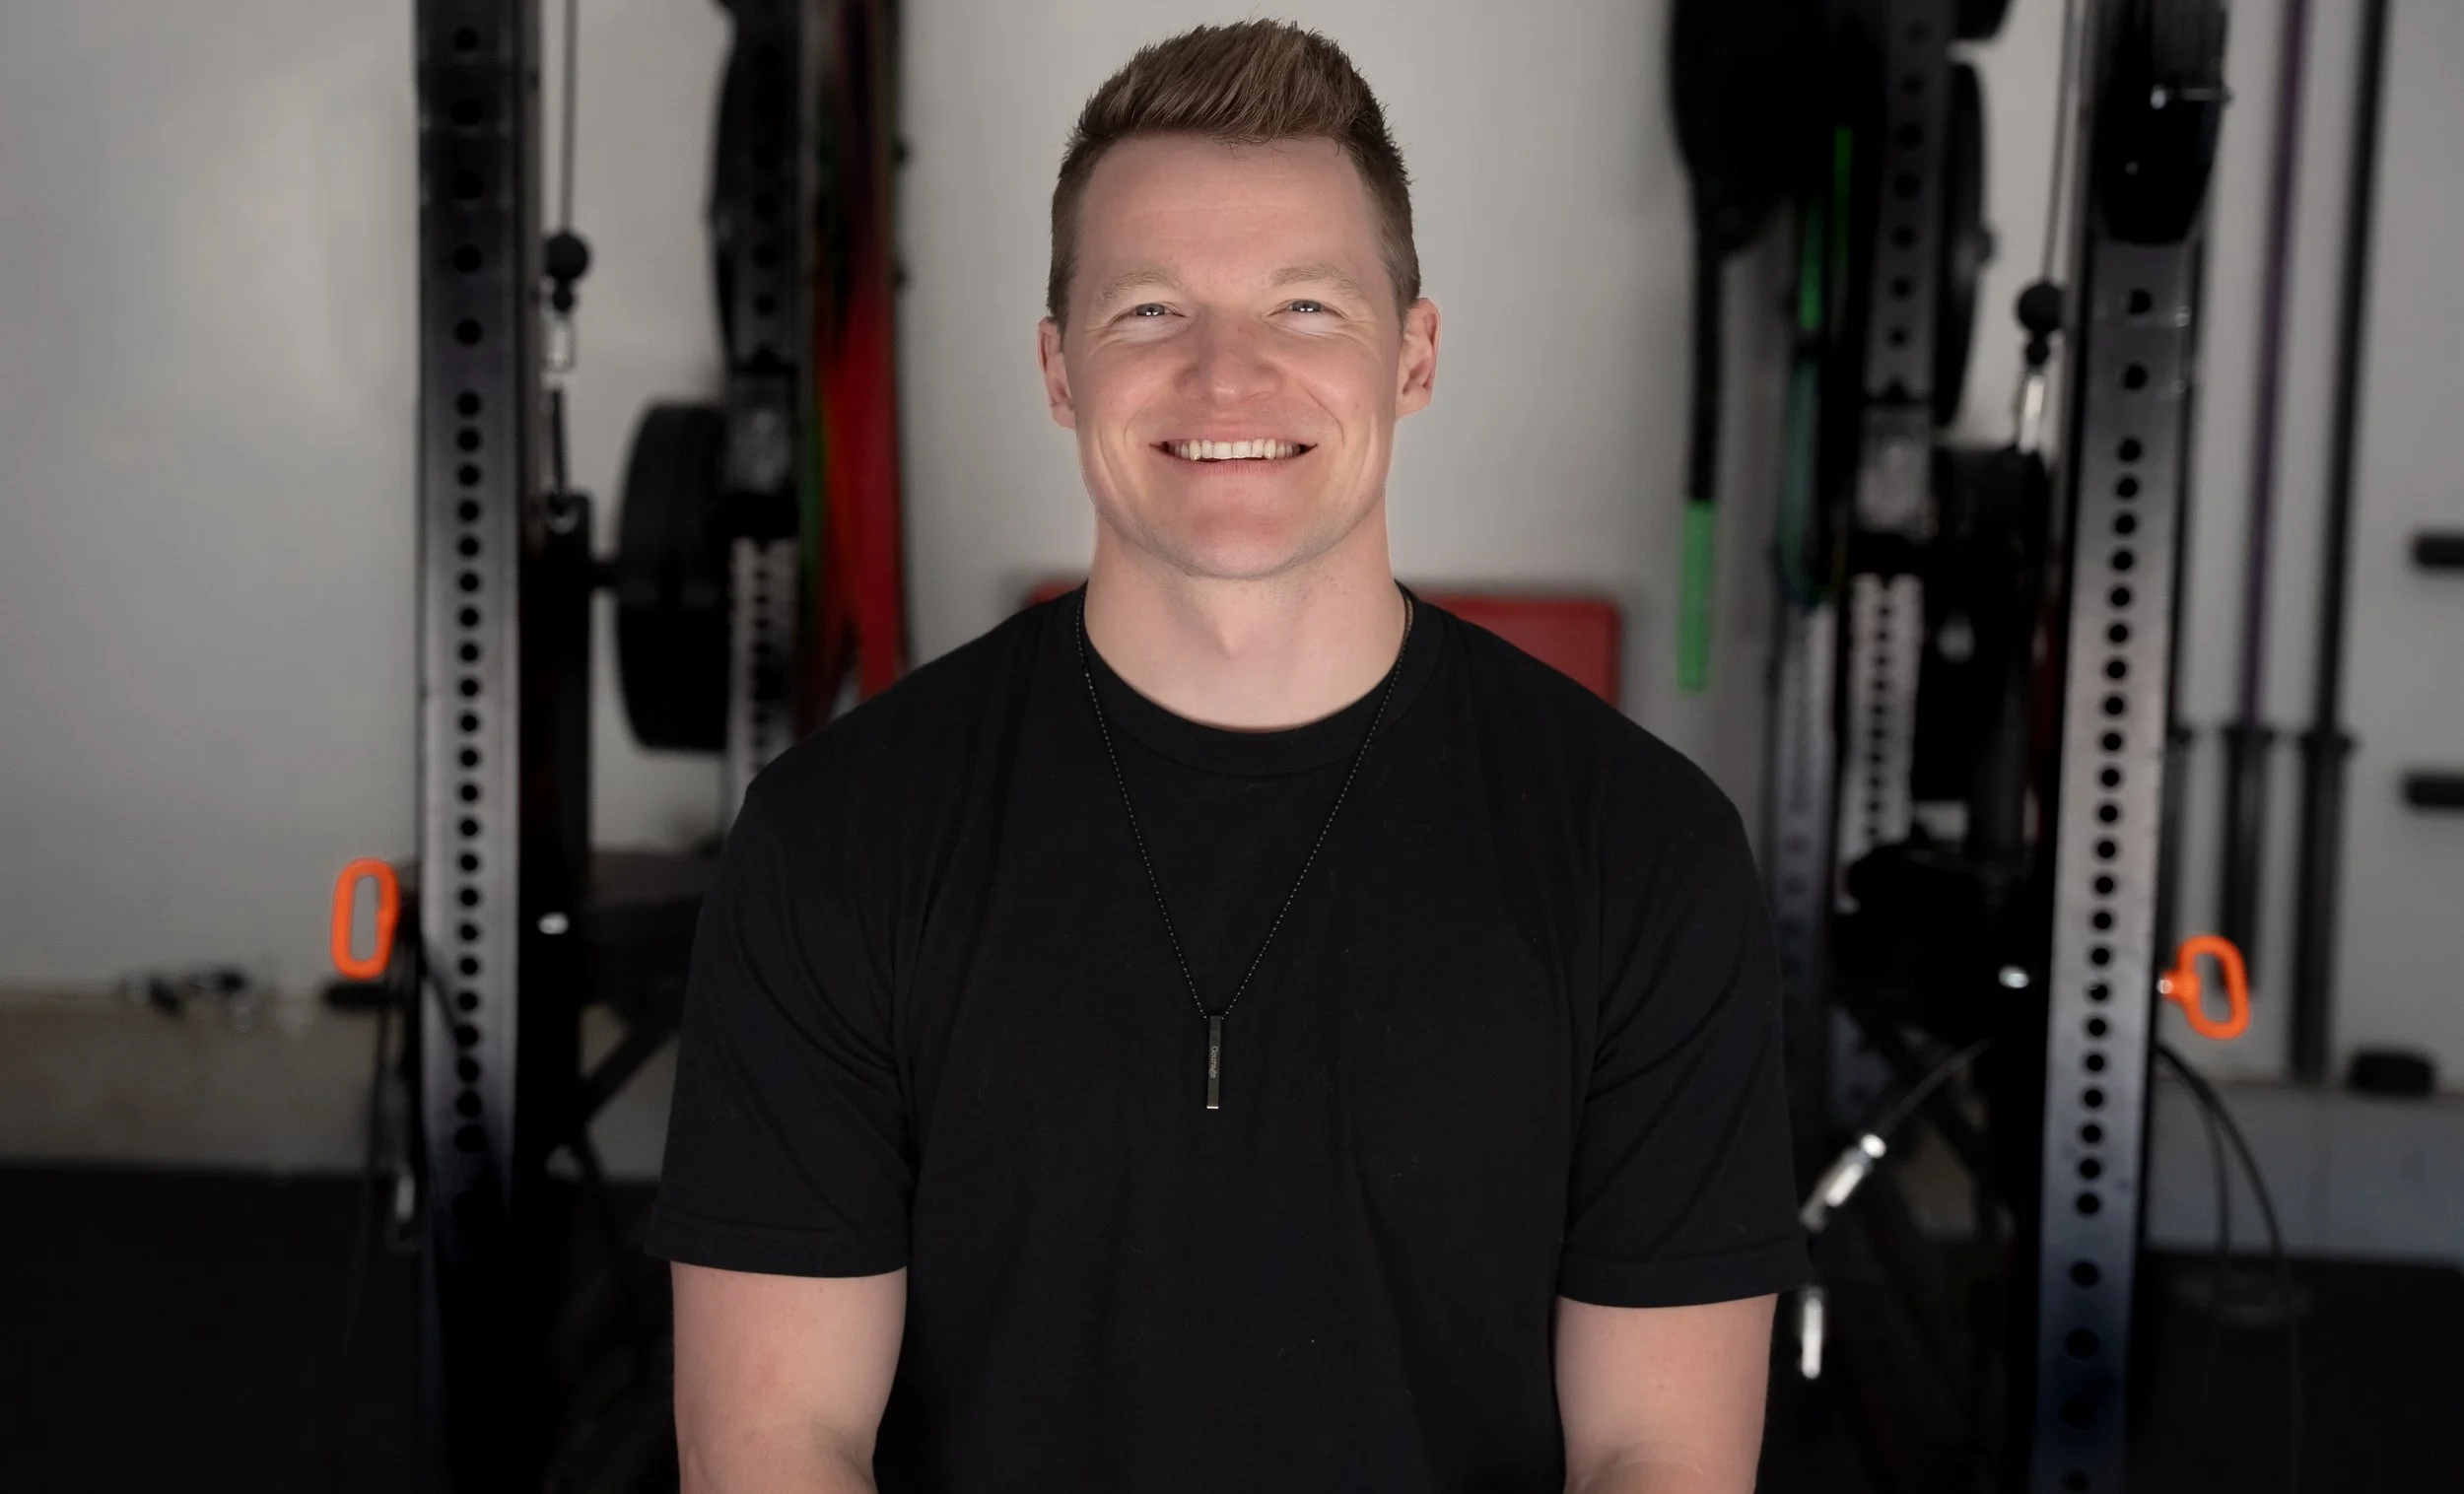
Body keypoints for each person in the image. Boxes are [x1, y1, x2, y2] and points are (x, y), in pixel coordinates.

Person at [650, 20, 1806, 1492]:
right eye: (1150, 312)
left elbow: (1659, 1455)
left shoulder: (1643, 852)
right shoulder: (837, 838)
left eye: (1306, 307)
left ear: (1415, 356)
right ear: (1060, 369)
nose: (1225, 377)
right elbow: (775, 1447)